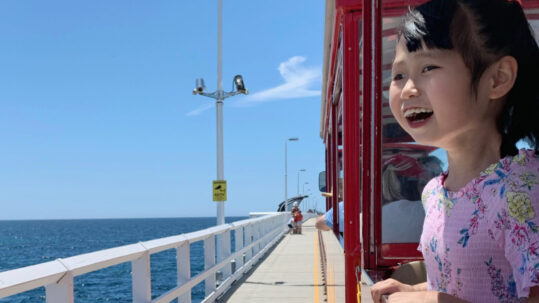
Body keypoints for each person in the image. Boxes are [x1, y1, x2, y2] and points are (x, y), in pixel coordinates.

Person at [371, 0, 539, 302]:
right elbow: (465, 282)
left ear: (497, 78)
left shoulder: (522, 192)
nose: (407, 88)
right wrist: (417, 289)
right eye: (398, 75)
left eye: (428, 67)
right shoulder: (435, 192)